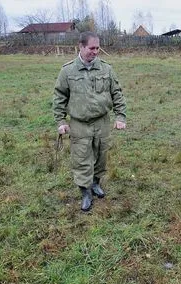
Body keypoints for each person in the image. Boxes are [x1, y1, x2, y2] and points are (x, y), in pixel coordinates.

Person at [53, 31, 127, 212]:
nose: (95, 52)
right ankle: (85, 192)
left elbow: (117, 93)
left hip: (102, 122)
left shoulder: (106, 69)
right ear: (81, 46)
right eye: (91, 48)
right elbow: (59, 96)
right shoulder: (68, 71)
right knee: (82, 159)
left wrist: (120, 116)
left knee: (101, 156)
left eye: (97, 48)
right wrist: (61, 121)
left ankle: (95, 184)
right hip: (79, 124)